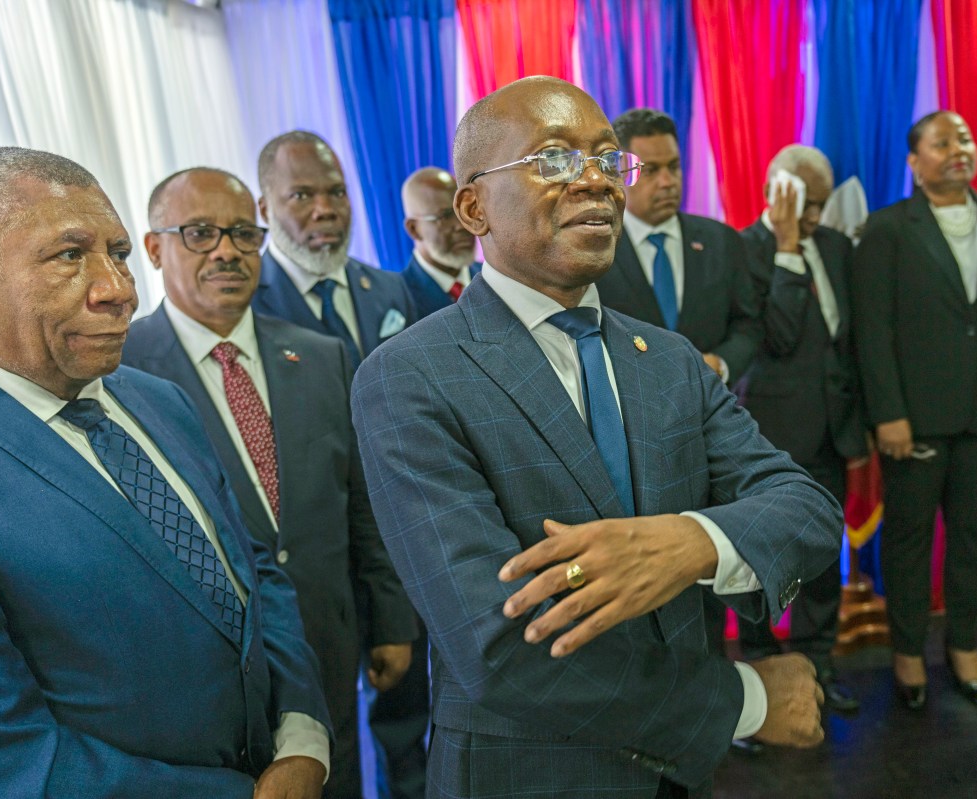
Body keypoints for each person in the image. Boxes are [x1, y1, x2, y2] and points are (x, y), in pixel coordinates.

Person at [351, 76, 841, 798]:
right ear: (472, 205)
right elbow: (500, 648)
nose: (594, 181)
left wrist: (692, 540)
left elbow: (807, 508)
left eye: (609, 161)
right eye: (553, 160)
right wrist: (747, 700)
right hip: (528, 776)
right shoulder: (407, 377)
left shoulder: (669, 358)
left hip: (679, 777)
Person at [0, 147, 331, 797]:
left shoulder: (157, 399)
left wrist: (301, 732)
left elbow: (253, 568)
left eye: (118, 254)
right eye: (69, 256)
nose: (119, 290)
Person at [120, 167, 419, 796]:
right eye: (199, 233)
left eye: (241, 234)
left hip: (330, 642)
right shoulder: (120, 371)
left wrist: (390, 620)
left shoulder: (320, 355)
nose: (226, 250)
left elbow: (363, 502)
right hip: (211, 669)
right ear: (153, 249)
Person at [851, 111, 977, 710]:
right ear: (914, 163)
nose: (958, 148)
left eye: (964, 137)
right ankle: (908, 651)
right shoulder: (886, 229)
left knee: (973, 538)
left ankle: (964, 644)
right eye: (942, 142)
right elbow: (872, 328)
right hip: (914, 420)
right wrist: (887, 413)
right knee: (910, 541)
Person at [737, 145, 867, 715]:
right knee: (761, 563)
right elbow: (781, 337)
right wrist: (788, 248)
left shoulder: (838, 247)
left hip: (833, 436)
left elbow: (851, 345)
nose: (815, 216)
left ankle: (818, 669)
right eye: (804, 203)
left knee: (821, 559)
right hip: (768, 440)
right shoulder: (742, 251)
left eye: (821, 203)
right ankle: (764, 676)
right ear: (774, 190)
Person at [595, 107, 758, 387]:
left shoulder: (722, 240)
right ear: (619, 174)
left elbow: (749, 325)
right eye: (651, 170)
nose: (667, 182)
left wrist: (721, 364)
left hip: (711, 409)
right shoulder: (596, 246)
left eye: (673, 167)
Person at [253, 131, 418, 369]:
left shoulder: (389, 288)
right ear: (266, 210)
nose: (325, 210)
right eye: (302, 195)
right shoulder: (247, 302)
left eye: (337, 192)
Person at [401, 166, 480, 317]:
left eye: (465, 211)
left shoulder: (493, 278)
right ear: (414, 229)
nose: (461, 225)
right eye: (444, 216)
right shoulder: (400, 298)